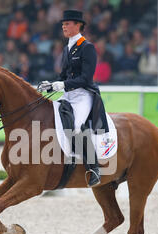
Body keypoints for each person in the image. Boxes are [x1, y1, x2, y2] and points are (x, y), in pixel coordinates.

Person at [38, 9, 108, 187]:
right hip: (68, 94)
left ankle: (94, 168)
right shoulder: (67, 48)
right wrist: (52, 84)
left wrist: (62, 85)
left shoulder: (87, 47)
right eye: (63, 24)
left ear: (78, 26)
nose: (64, 26)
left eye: (67, 23)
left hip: (84, 95)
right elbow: (63, 75)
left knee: (76, 126)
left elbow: (86, 78)